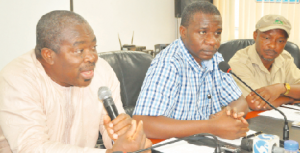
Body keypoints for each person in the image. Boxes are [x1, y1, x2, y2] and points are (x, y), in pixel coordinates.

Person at [0, 10, 151, 153]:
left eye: (93, 47)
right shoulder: (17, 79)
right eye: (80, 50)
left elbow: (112, 134)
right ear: (48, 55)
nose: (92, 57)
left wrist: (124, 138)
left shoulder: (101, 71)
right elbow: (31, 148)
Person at [132, 1, 249, 140]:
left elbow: (240, 101)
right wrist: (212, 126)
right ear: (183, 32)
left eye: (217, 33)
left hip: (208, 142)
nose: (212, 41)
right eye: (202, 32)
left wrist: (229, 114)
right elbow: (143, 123)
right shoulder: (169, 63)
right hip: (174, 145)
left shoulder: (216, 59)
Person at [228, 15, 300, 111]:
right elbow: (256, 103)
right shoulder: (239, 62)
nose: (272, 46)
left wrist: (282, 88)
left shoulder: (284, 58)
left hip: (278, 118)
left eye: (280, 41)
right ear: (255, 36)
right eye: (266, 38)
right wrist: (290, 97)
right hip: (247, 121)